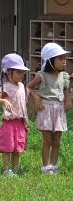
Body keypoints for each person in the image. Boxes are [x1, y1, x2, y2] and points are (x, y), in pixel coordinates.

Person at [27, 42, 70, 175]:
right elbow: (28, 87)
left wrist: (68, 101)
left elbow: (65, 90)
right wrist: (37, 98)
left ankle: (53, 165)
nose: (64, 62)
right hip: (46, 109)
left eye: (64, 59)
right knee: (48, 140)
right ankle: (46, 167)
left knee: (57, 140)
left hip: (59, 110)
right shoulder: (42, 75)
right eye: (60, 59)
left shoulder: (64, 76)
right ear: (51, 61)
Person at [0, 54, 29, 177]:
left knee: (17, 148)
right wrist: (4, 100)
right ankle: (6, 169)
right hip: (9, 122)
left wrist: (26, 122)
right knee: (8, 147)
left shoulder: (22, 86)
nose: (22, 75)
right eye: (18, 72)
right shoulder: (6, 86)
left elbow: (23, 105)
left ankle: (15, 169)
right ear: (9, 73)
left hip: (20, 122)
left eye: (23, 72)